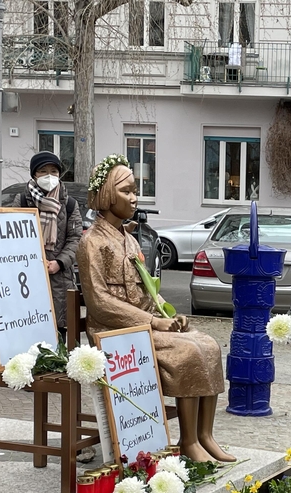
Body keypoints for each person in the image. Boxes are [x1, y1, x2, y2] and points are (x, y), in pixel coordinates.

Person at [76, 155, 234, 463]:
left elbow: (148, 289)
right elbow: (99, 301)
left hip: (144, 324)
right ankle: (188, 441)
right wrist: (152, 322)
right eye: (126, 191)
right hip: (114, 331)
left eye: (136, 190)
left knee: (210, 345)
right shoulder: (91, 243)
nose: (134, 198)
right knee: (187, 353)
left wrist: (167, 314)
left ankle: (205, 435)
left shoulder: (130, 240)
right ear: (107, 194)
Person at [9, 151, 82, 334]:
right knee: (30, 330)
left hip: (60, 279)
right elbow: (12, 237)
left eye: (54, 171)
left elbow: (75, 239)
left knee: (60, 332)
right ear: (34, 174)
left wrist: (60, 262)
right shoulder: (23, 201)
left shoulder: (70, 204)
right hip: (28, 277)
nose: (49, 176)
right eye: (43, 171)